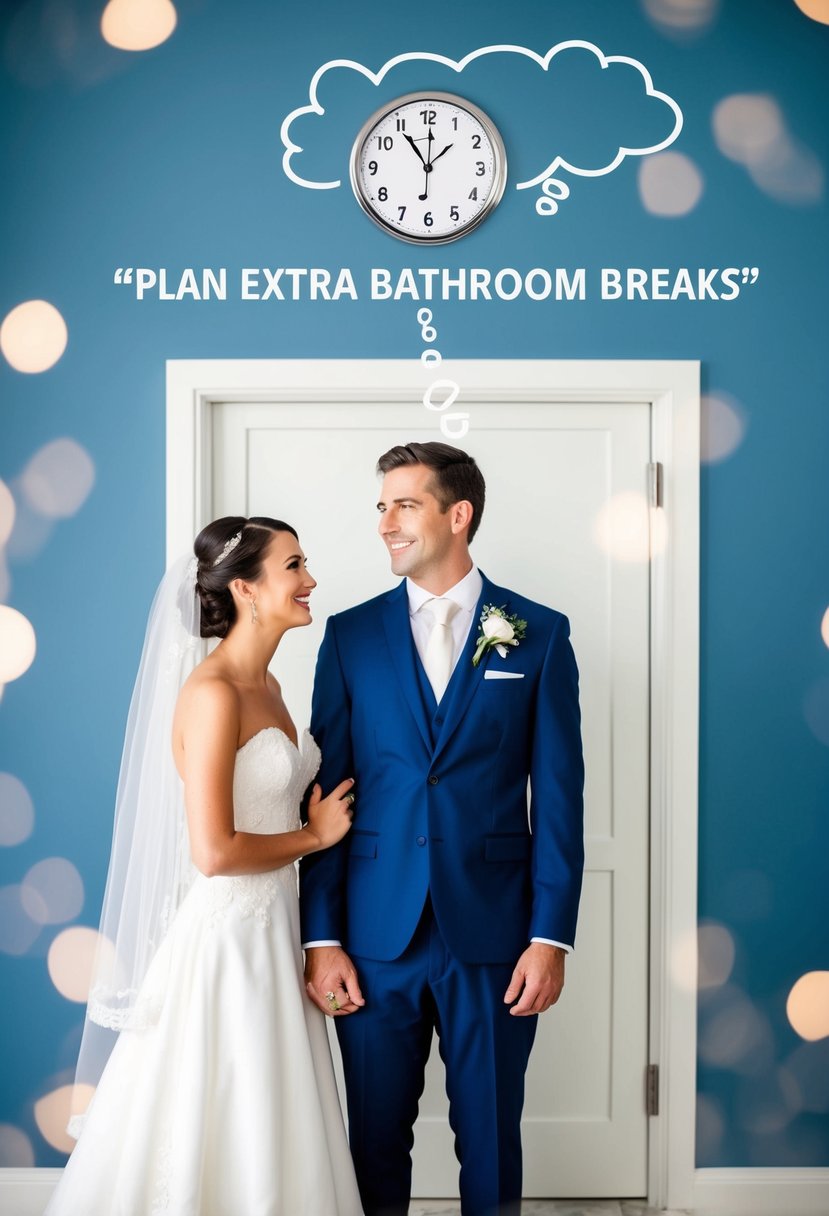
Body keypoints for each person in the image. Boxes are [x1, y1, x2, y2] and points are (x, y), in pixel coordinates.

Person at [46, 516, 363, 1216]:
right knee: (228, 1100)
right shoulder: (214, 691)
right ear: (247, 588)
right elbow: (214, 851)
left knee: (275, 1107)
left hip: (276, 929)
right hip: (228, 940)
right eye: (294, 565)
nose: (310, 579)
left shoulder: (272, 688)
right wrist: (315, 838)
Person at [301, 443, 585, 1216]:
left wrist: (549, 936)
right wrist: (321, 938)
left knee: (491, 1137)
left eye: (403, 505)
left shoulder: (539, 633)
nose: (385, 524)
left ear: (457, 516)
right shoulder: (350, 635)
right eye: (381, 507)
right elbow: (329, 790)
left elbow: (559, 797)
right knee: (369, 1140)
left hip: (495, 936)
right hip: (371, 936)